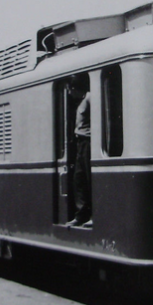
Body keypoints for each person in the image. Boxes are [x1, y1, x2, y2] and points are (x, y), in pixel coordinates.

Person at [66, 75, 92, 228]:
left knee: (89, 179)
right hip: (80, 143)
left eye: (70, 90)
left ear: (75, 88)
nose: (69, 93)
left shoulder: (90, 98)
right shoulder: (82, 100)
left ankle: (94, 215)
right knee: (79, 179)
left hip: (88, 142)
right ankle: (81, 215)